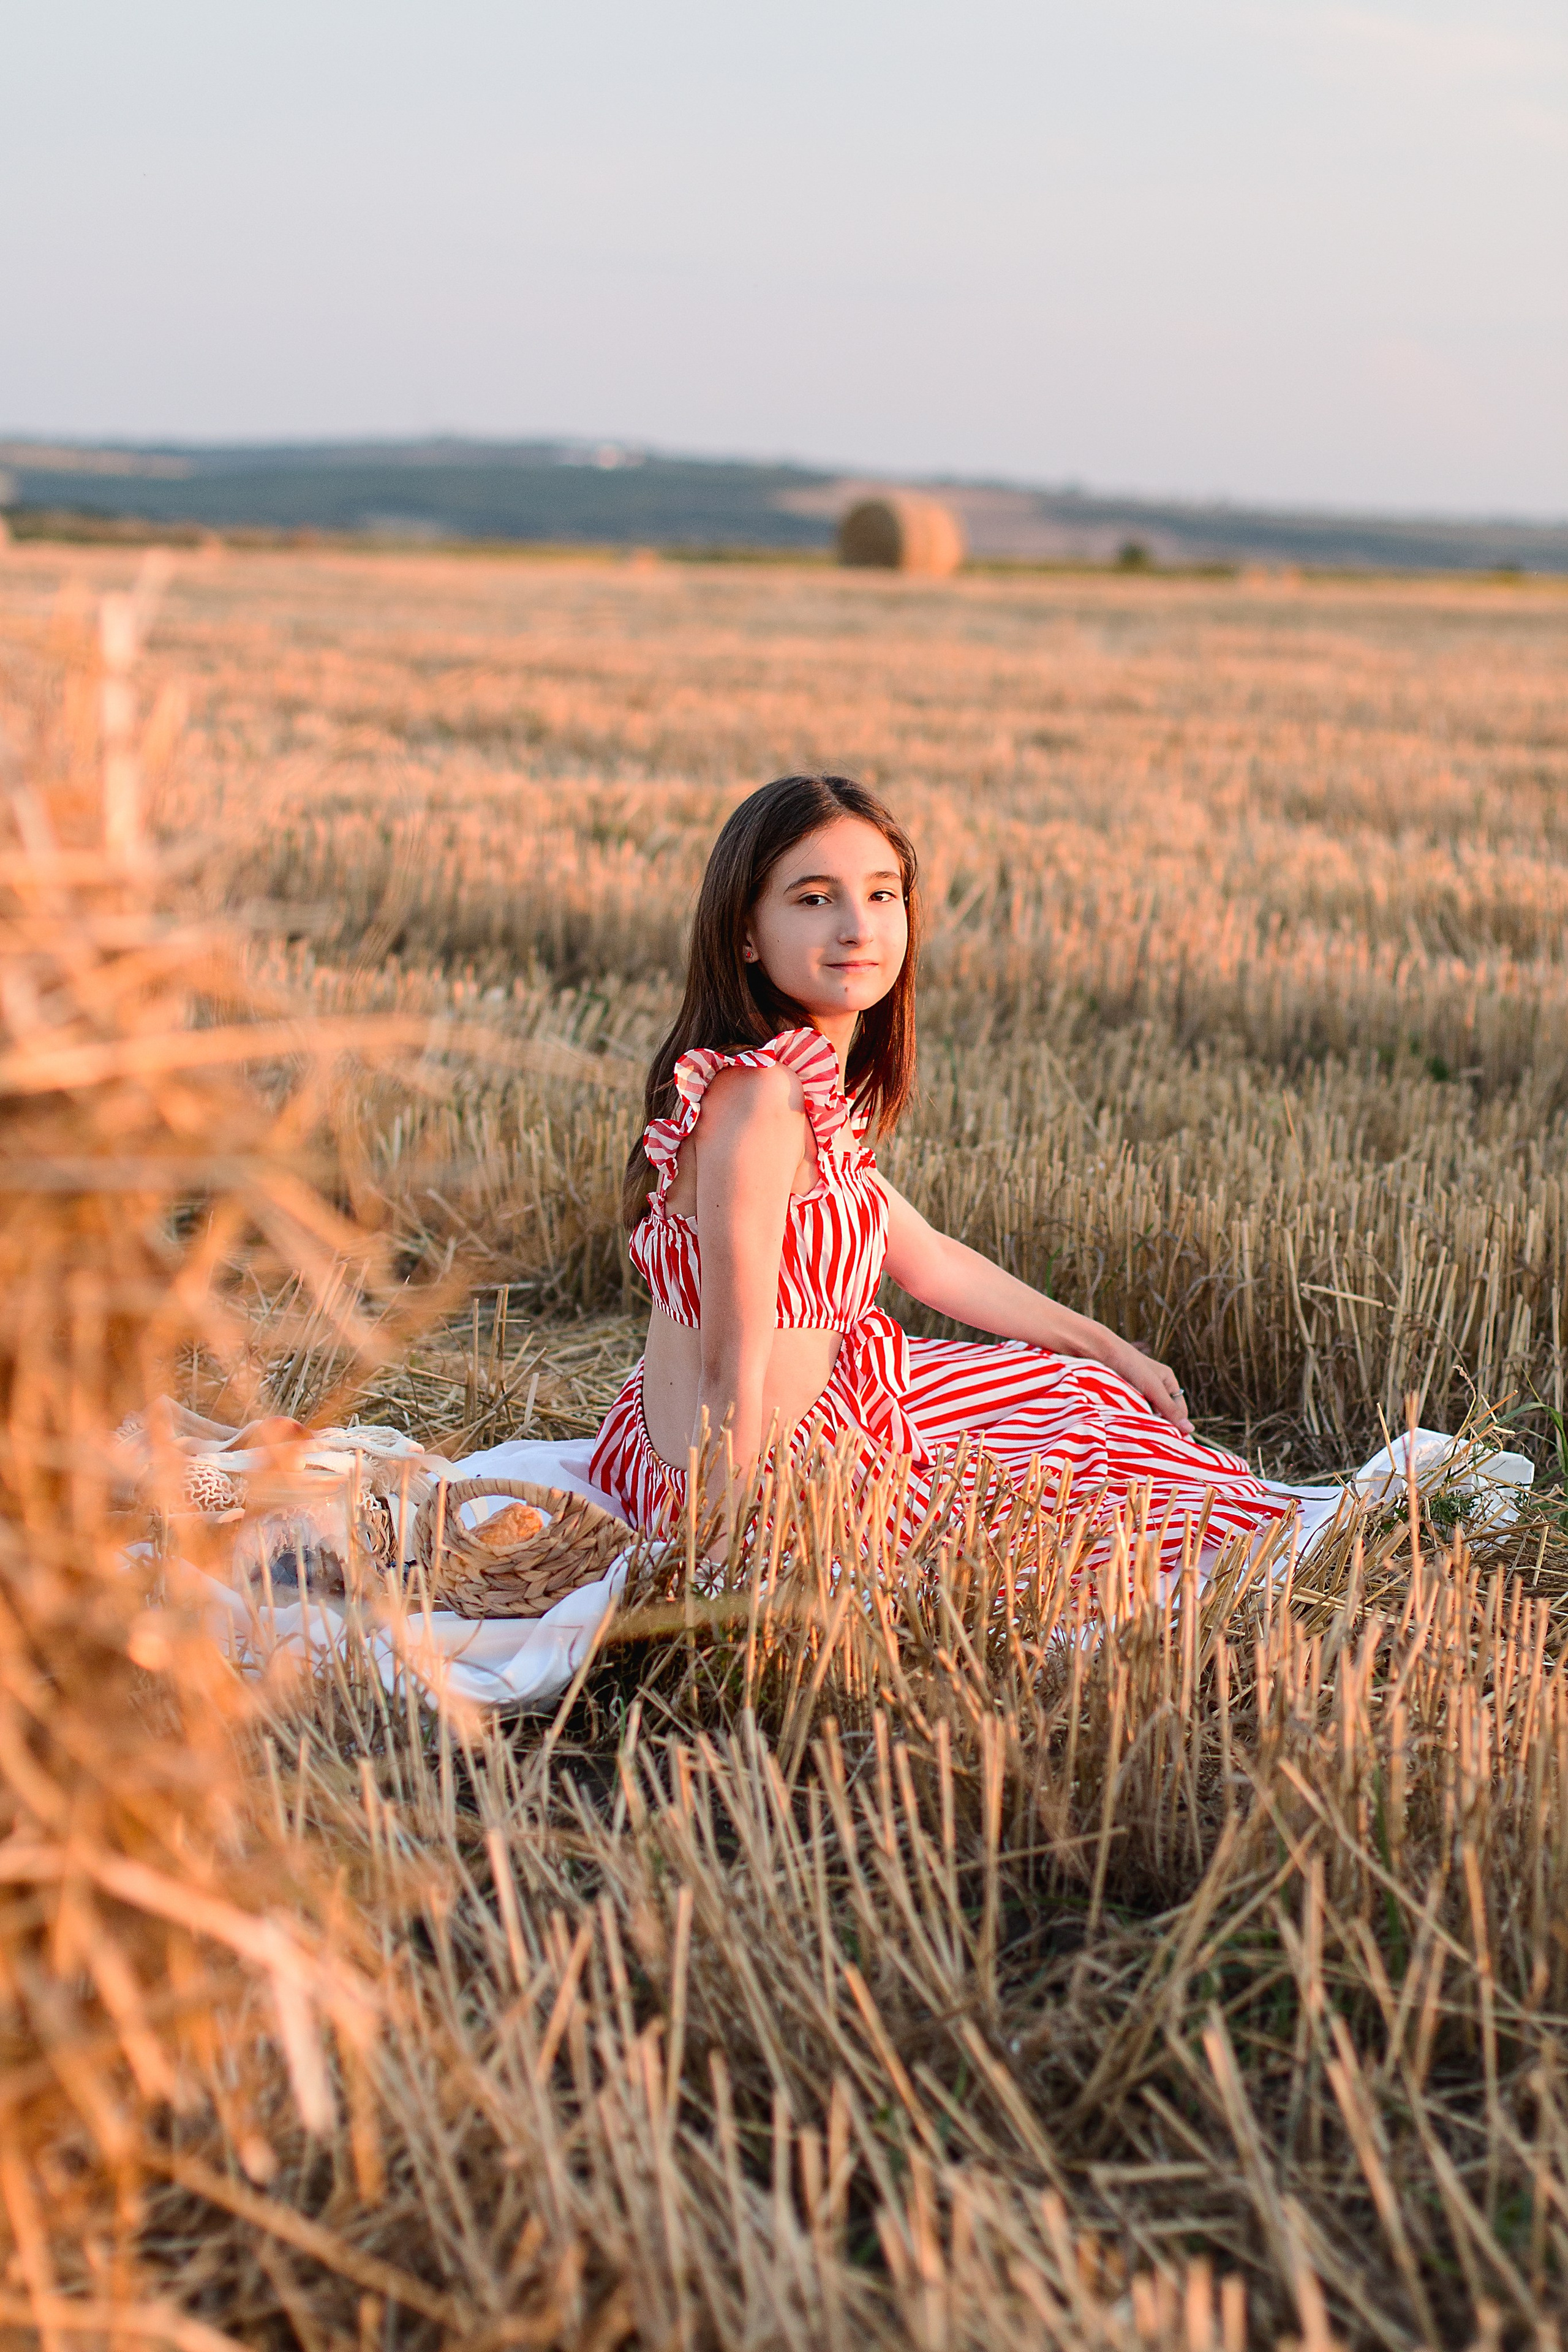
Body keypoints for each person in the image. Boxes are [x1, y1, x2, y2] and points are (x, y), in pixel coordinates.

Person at [589, 774, 1292, 1575]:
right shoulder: (760, 1102)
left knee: (1076, 1384)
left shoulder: (791, 1086)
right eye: (814, 899)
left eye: (882, 894)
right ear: (745, 934)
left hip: (696, 1446)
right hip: (762, 1486)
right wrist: (712, 1568)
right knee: (1088, 1466)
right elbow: (729, 1363)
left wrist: (1111, 1348)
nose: (858, 927)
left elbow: (931, 1261)